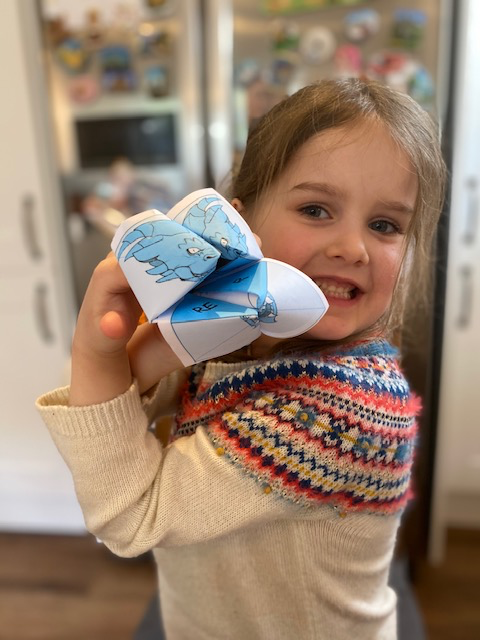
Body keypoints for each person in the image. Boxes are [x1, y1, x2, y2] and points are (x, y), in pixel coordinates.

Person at [36, 78, 446, 639]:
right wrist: (158, 343)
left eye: (385, 225)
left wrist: (96, 346)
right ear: (242, 224)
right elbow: (123, 409)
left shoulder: (345, 411)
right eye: (316, 209)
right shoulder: (249, 337)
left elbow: (131, 517)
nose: (353, 247)